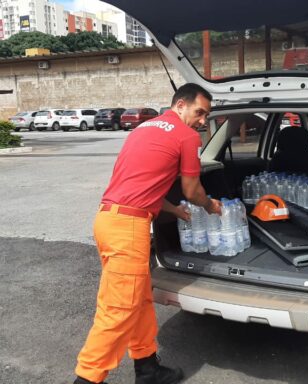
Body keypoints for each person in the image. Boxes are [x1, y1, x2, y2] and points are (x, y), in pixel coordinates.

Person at [74, 83, 222, 384]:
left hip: (108, 220)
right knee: (117, 310)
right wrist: (209, 205)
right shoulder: (187, 136)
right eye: (200, 112)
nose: (203, 121)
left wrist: (174, 211)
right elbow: (192, 190)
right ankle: (86, 379)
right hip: (129, 228)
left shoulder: (143, 129)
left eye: (207, 115)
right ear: (180, 105)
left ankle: (147, 368)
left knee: (138, 300)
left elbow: (143, 185)